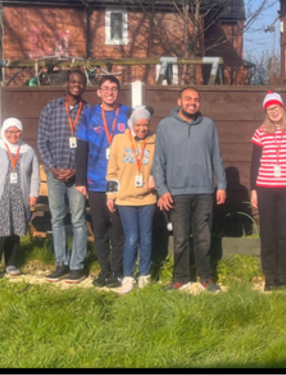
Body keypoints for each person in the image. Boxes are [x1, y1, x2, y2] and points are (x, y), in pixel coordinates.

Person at [153, 87, 227, 292]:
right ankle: (181, 278)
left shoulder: (208, 125)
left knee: (204, 236)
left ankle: (206, 277)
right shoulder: (165, 126)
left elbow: (216, 157)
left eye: (196, 99)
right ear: (179, 101)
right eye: (188, 99)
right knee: (180, 237)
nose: (192, 102)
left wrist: (221, 185)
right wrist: (162, 189)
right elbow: (158, 161)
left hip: (204, 190)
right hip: (176, 192)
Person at [76, 75, 130, 288]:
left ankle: (117, 272)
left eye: (114, 88)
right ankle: (104, 271)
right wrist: (81, 180)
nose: (110, 92)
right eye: (105, 88)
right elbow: (81, 148)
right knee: (99, 231)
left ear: (118, 91)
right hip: (95, 181)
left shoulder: (128, 113)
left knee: (118, 231)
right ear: (98, 92)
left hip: (120, 183)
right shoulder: (89, 115)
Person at [38, 70, 90, 284]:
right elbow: (42, 141)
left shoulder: (88, 111)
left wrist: (77, 170)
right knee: (57, 219)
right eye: (73, 81)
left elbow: (92, 146)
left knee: (78, 220)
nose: (76, 85)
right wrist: (52, 168)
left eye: (81, 82)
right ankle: (61, 263)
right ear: (67, 83)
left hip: (77, 175)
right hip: (55, 174)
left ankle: (77, 265)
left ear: (84, 86)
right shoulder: (51, 108)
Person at [250, 92, 286, 291]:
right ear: (266, 112)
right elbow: (255, 162)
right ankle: (269, 278)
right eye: (269, 109)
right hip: (265, 188)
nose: (273, 112)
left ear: (283, 107)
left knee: (284, 233)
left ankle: (282, 277)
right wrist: (253, 189)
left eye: (276, 107)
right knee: (268, 233)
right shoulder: (260, 132)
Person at [106, 106, 156, 294]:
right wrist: (110, 195)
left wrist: (156, 178)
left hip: (147, 198)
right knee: (132, 237)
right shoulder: (119, 140)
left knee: (146, 237)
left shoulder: (154, 140)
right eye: (138, 125)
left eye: (145, 125)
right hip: (125, 199)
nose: (142, 129)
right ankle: (128, 275)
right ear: (132, 124)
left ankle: (144, 274)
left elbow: (161, 164)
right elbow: (112, 170)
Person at [0, 118, 40, 276]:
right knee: (2, 231)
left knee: (16, 230)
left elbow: (35, 175)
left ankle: (11, 264)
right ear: (4, 132)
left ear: (21, 132)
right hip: (2, 196)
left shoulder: (28, 151)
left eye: (16, 131)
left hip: (19, 196)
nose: (13, 135)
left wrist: (33, 194)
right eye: (9, 131)